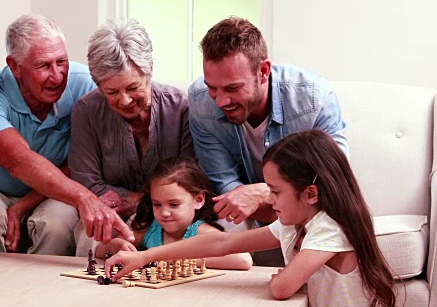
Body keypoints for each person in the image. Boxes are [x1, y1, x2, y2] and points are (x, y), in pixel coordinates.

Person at [105, 130, 396, 307]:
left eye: (276, 191)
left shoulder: (330, 229)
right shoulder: (293, 224)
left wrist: (284, 276)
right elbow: (222, 244)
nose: (269, 200)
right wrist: (146, 257)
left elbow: (282, 289)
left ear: (310, 194)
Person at [0, 14, 134, 256]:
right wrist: (85, 198)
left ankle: (44, 292)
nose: (57, 76)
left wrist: (24, 205)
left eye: (61, 61)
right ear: (15, 67)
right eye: (43, 66)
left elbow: (82, 160)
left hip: (56, 188)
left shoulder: (85, 83)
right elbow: (17, 159)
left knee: (56, 225)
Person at [189, 17, 348, 265]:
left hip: (307, 207)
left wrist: (264, 192)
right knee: (227, 222)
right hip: (249, 211)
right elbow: (224, 184)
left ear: (263, 72)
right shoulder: (200, 102)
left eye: (232, 88)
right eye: (213, 88)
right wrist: (263, 202)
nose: (220, 101)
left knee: (326, 223)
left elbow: (335, 182)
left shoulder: (314, 98)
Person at [69, 18, 194, 222]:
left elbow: (190, 180)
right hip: (108, 212)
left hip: (171, 215)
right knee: (92, 237)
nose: (125, 101)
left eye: (133, 88)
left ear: (150, 70)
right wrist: (137, 199)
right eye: (111, 92)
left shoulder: (181, 108)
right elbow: (87, 182)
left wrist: (144, 202)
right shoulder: (86, 111)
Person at [95, 157, 252, 270]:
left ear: (199, 199)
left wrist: (174, 258)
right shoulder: (151, 229)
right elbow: (100, 251)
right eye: (157, 204)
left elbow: (243, 260)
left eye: (174, 204)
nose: (164, 213)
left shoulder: (200, 231)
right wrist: (117, 245)